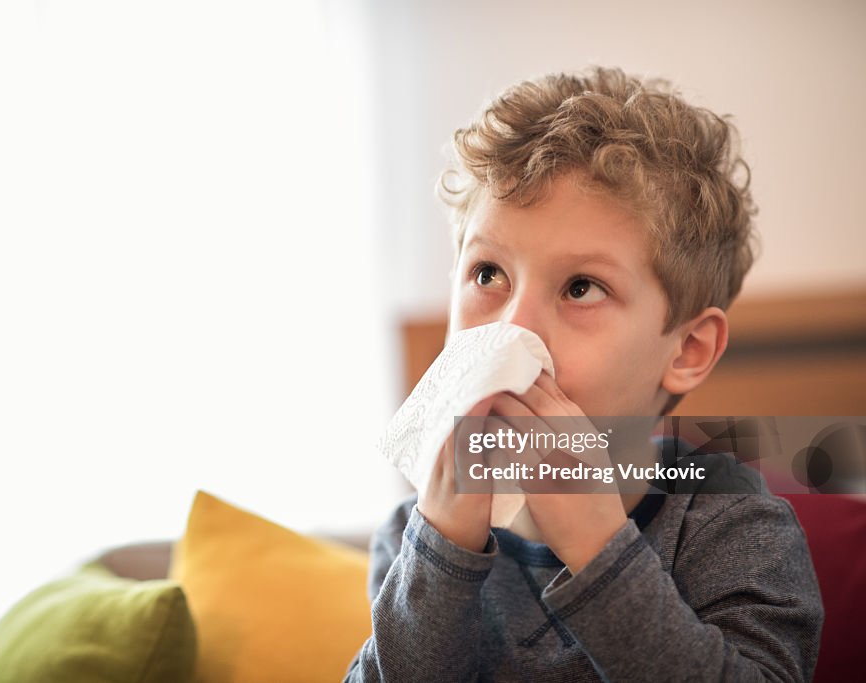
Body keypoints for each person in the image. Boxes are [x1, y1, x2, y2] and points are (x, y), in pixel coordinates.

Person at [345, 67, 823, 682]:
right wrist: (441, 549)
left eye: (580, 287)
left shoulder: (731, 526)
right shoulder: (413, 538)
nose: (514, 329)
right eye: (488, 274)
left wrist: (600, 549)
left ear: (687, 350)